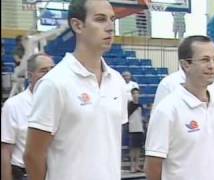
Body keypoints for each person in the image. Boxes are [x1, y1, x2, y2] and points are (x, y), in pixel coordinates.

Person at [23, 1, 128, 180]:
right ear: (78, 25)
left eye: (112, 19)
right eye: (100, 19)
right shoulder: (54, 83)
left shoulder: (117, 81)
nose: (110, 27)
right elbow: (33, 155)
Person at [144, 35, 214, 180]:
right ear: (186, 64)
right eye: (205, 60)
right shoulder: (167, 110)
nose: (212, 66)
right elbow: (153, 166)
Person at [1, 53, 55, 180]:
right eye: (43, 70)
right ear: (30, 75)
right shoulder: (13, 105)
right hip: (24, 173)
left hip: (55, 172)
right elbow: (5, 150)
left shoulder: (63, 103)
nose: (50, 74)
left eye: (52, 69)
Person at [128, 88, 144, 173]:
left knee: (138, 148)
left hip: (139, 129)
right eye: (134, 93)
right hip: (132, 129)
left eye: (137, 93)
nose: (136, 95)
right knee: (132, 149)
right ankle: (132, 166)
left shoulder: (140, 105)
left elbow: (141, 117)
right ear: (132, 95)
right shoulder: (129, 105)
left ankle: (137, 165)